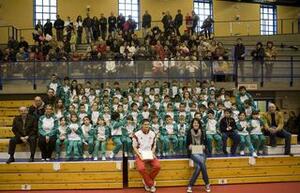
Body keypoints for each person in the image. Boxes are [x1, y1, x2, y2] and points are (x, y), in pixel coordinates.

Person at [132, 119, 160, 193]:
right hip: (141, 153)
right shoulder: (137, 134)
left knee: (157, 166)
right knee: (141, 168)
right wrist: (139, 155)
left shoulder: (152, 133)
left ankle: (146, 182)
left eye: (148, 124)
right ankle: (151, 184)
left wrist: (152, 152)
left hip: (150, 153)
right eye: (145, 124)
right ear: (142, 125)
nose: (146, 126)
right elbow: (134, 147)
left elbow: (154, 146)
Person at [186, 118, 211, 193]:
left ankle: (190, 185)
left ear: (199, 124)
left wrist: (204, 146)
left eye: (197, 123)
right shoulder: (189, 132)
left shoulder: (203, 132)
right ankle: (207, 184)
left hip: (201, 151)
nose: (196, 124)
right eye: (194, 123)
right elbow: (187, 145)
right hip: (193, 152)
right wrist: (190, 148)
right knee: (202, 164)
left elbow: (206, 144)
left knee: (198, 167)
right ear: (192, 124)